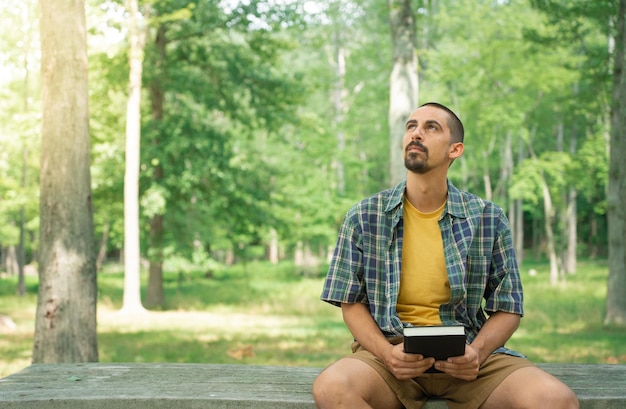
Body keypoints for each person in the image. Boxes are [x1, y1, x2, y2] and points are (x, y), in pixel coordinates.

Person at [312, 102, 579, 409]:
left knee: (557, 400)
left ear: (455, 149)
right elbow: (351, 303)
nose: (416, 134)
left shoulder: (487, 218)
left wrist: (476, 354)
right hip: (389, 357)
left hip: (468, 357)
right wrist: (387, 355)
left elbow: (508, 308)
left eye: (431, 127)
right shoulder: (364, 215)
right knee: (332, 387)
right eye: (411, 126)